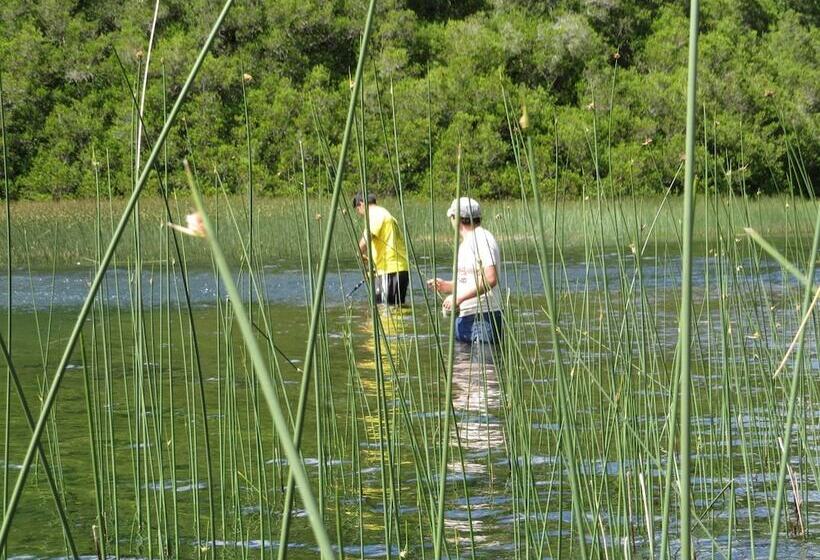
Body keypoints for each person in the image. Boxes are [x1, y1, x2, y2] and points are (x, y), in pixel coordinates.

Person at [427, 197, 503, 344]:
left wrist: (458, 298)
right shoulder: (465, 244)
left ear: (456, 218)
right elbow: (468, 282)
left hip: (483, 318)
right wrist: (446, 286)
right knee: (461, 359)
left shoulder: (482, 239)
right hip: (464, 317)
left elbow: (490, 278)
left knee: (482, 359)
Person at [353, 191, 410, 305]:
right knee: (396, 308)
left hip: (389, 270)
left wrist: (359, 253)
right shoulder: (385, 213)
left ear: (361, 204)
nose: (359, 214)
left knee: (383, 308)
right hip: (399, 269)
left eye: (358, 210)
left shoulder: (375, 214)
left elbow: (365, 240)